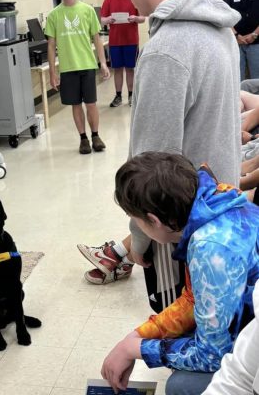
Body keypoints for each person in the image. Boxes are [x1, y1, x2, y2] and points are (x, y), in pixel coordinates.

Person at [79, 0, 242, 305]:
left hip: (176, 229)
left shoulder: (167, 50)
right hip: (221, 212)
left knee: (175, 326)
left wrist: (138, 239)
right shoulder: (221, 30)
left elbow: (148, 171)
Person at [100, 152, 259, 395]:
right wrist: (136, 337)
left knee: (181, 385)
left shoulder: (210, 247)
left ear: (153, 220)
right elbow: (194, 298)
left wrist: (137, 349)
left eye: (136, 221)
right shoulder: (214, 201)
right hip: (247, 317)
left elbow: (211, 356)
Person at [44, 0, 111, 155]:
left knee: (91, 103)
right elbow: (51, 46)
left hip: (87, 64)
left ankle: (95, 136)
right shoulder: (54, 15)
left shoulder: (87, 10)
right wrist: (52, 73)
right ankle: (83, 139)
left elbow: (97, 38)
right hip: (67, 68)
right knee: (76, 104)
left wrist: (103, 62)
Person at [202, 281, 259, 395]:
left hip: (227, 343)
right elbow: (238, 380)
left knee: (178, 383)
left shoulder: (208, 264)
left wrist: (159, 350)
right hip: (233, 341)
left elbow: (213, 353)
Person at [100, 0, 145, 108]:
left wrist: (135, 18)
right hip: (115, 42)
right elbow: (102, 20)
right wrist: (108, 20)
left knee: (130, 69)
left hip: (131, 41)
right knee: (117, 70)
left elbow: (143, 18)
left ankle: (131, 96)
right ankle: (118, 96)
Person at [223, 0, 259, 80]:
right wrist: (236, 36)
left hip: (257, 43)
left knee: (257, 79)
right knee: (236, 78)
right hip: (235, 43)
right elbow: (224, 15)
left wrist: (254, 34)